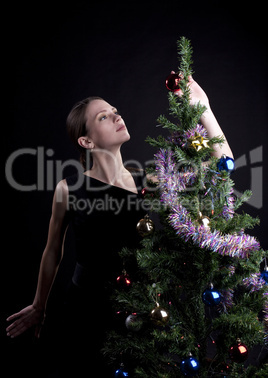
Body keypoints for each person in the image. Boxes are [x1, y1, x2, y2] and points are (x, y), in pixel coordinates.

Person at [6, 76, 233, 376]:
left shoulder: (149, 182)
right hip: (83, 313)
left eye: (115, 110)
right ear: (86, 141)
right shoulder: (68, 188)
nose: (116, 115)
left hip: (138, 314)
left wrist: (204, 108)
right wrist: (39, 306)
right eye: (104, 116)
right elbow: (52, 252)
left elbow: (222, 166)